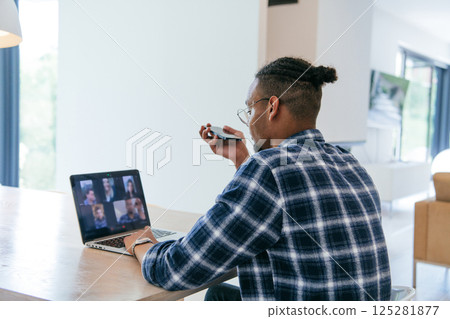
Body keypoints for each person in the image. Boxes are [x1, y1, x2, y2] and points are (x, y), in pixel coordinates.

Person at [124, 57, 391, 301]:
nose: (249, 121)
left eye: (250, 109)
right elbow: (279, 210)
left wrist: (143, 242)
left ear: (272, 107)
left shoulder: (268, 169)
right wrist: (243, 160)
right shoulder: (349, 162)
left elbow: (178, 268)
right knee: (219, 295)